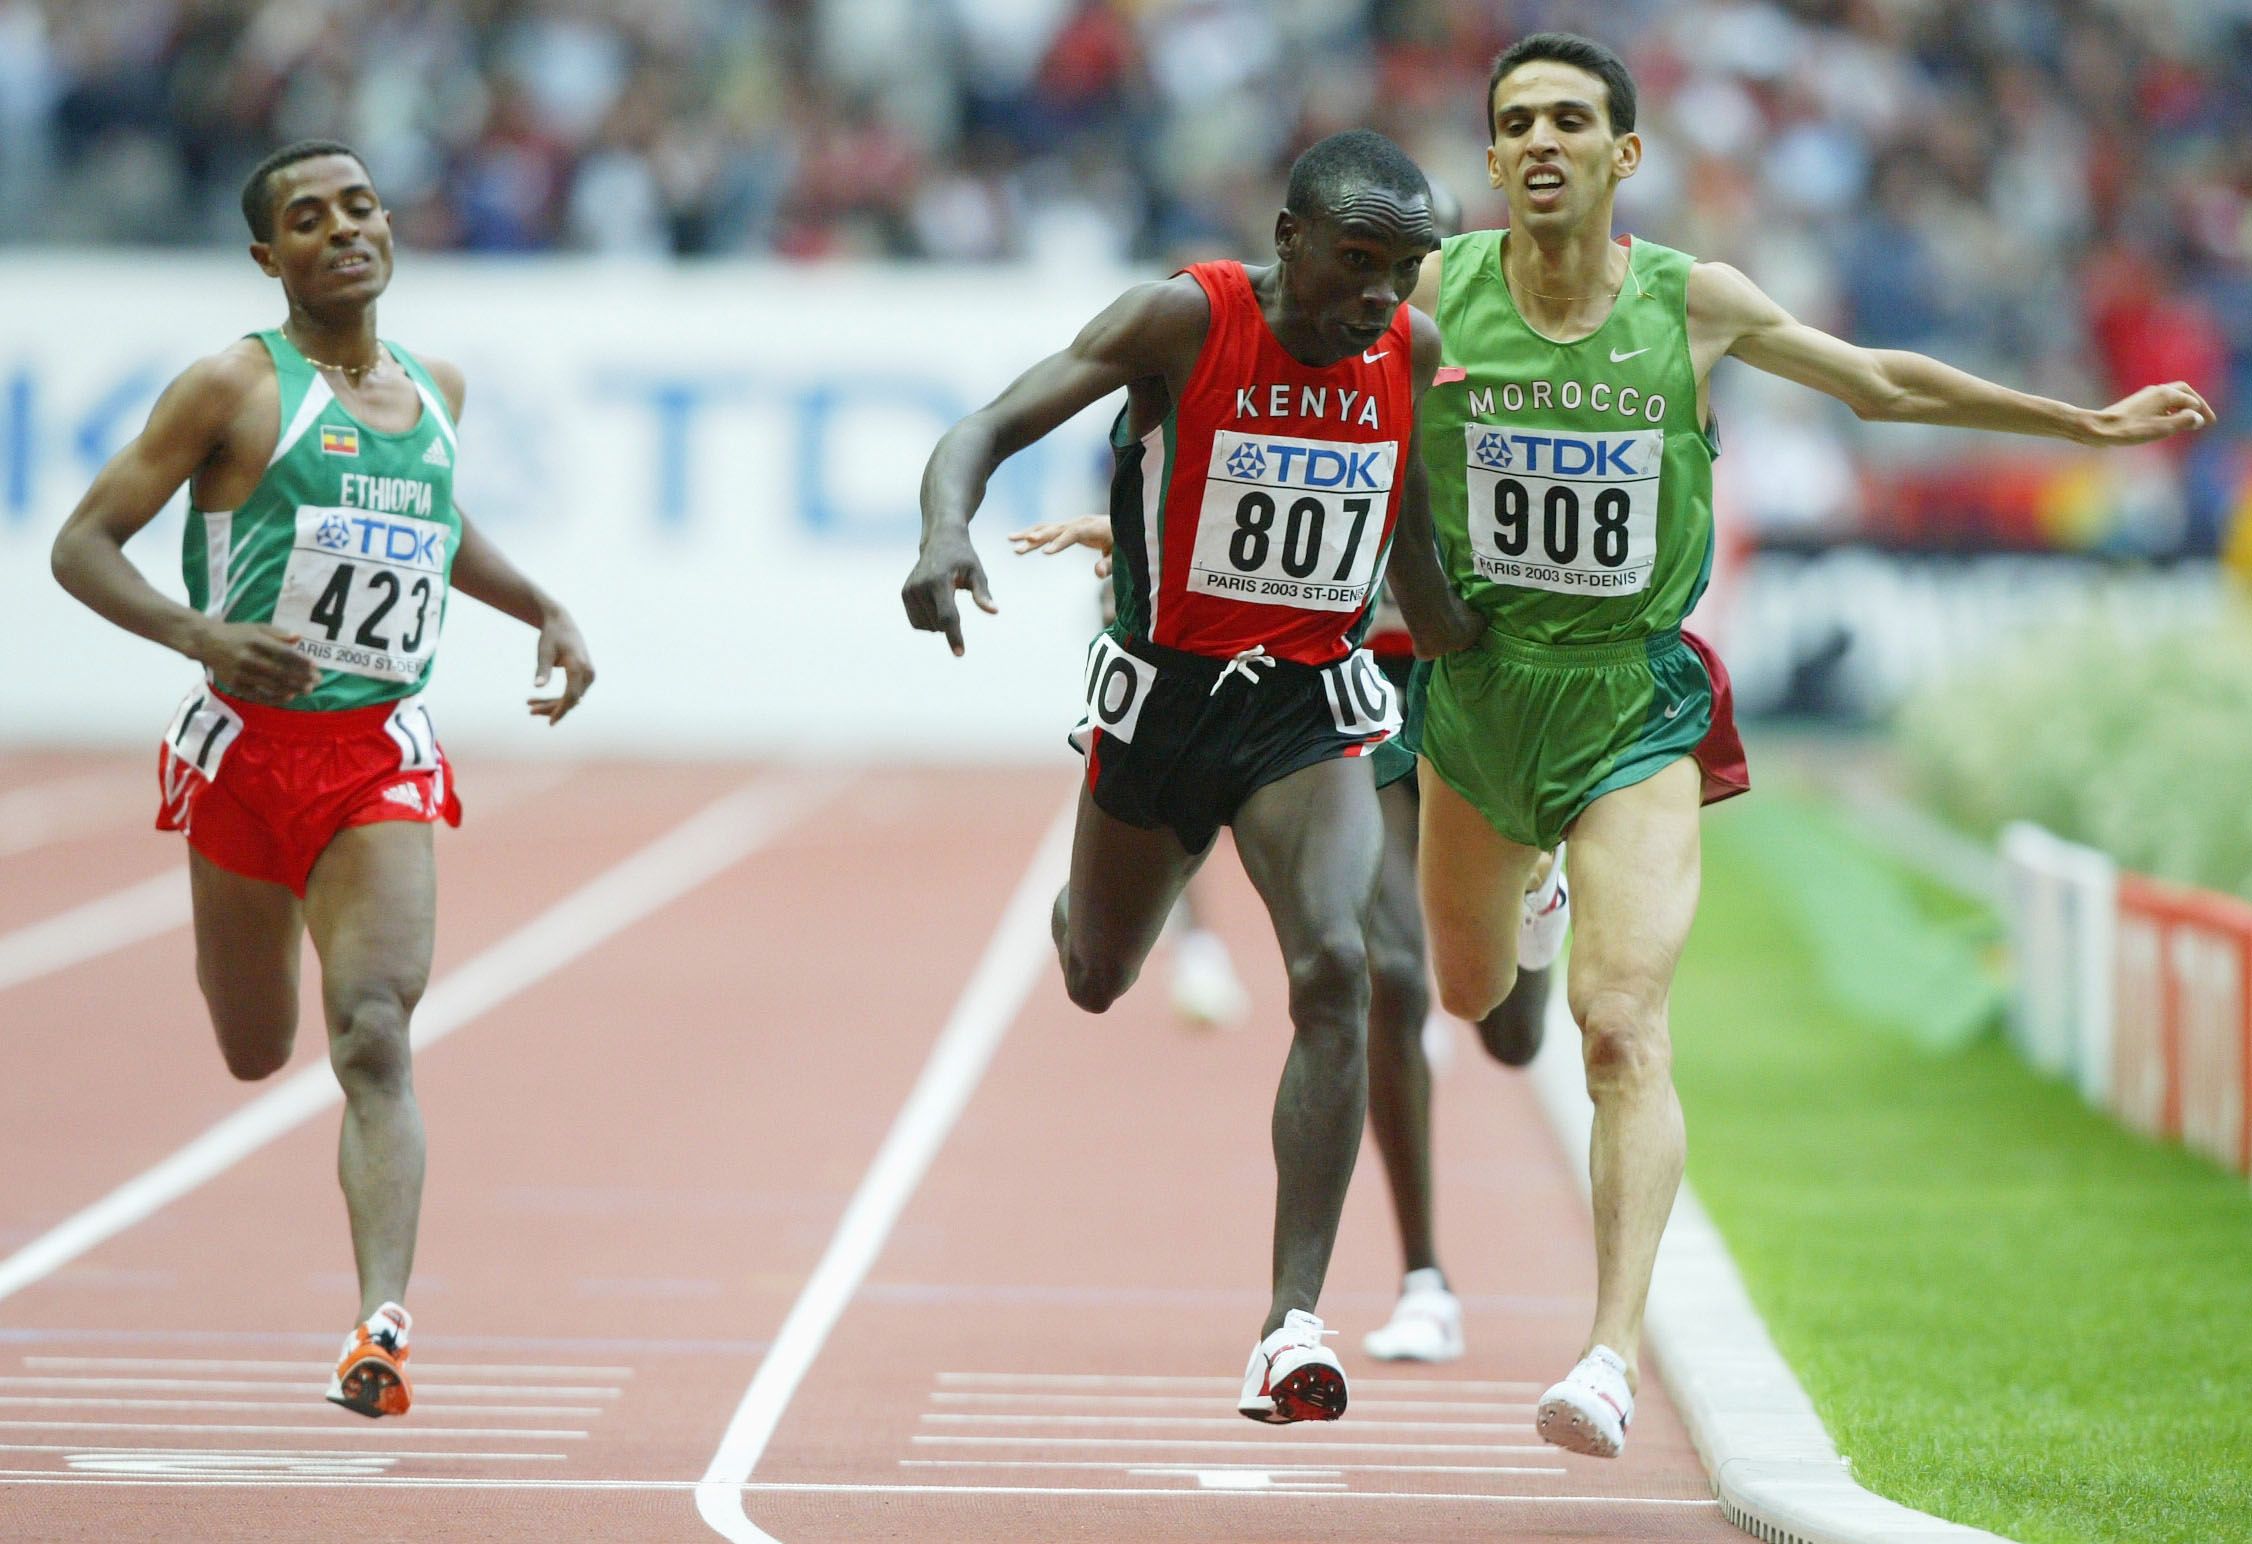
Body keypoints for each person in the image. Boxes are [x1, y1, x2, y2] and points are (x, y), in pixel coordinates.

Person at [1409, 33, 2213, 1458]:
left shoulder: (1690, 302)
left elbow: (1877, 383)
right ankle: (1531, 892)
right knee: (1474, 992)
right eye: (1516, 121)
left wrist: (2074, 424)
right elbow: (1294, 397)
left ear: (1622, 156)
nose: (1541, 141)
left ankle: (1605, 1355)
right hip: (1477, 702)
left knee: (1618, 1026)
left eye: (1571, 121)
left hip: (1630, 696)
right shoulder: (1433, 295)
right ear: (1489, 160)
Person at [904, 129, 1466, 1425]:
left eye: (1406, 270)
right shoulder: (1184, 318)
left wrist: (1500, 676)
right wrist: (945, 532)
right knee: (1097, 976)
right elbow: (984, 426)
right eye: (1358, 262)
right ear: (1290, 243)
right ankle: (1095, 900)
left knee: (1341, 967)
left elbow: (1416, 550)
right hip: (1158, 712)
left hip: (1305, 711)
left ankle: (1289, 1325)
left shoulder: (1409, 356)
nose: (1381, 295)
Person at [49, 140, 595, 1420]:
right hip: (243, 755)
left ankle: (381, 1329)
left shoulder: (436, 384)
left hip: (373, 757)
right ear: (268, 256)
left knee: (374, 1033)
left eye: (359, 207)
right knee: (256, 1050)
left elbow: (433, 524)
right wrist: (201, 633)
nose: (342, 229)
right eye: (308, 217)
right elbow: (83, 545)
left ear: (388, 228)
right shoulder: (233, 386)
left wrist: (543, 606)